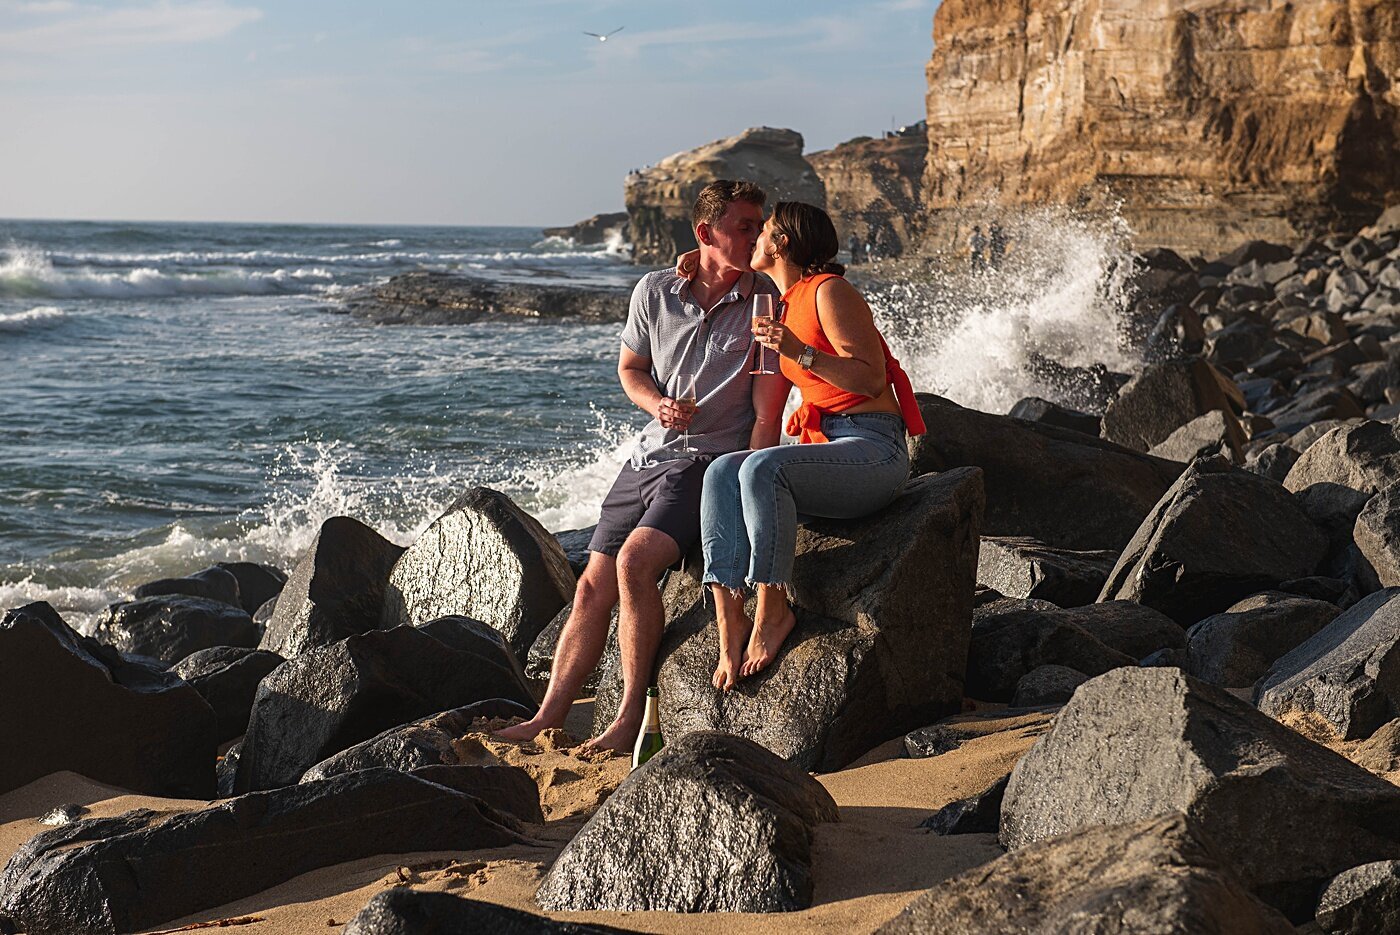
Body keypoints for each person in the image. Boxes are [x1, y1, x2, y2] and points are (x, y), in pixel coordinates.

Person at [496, 180, 780, 750]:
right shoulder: (654, 291)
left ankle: (628, 720)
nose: (755, 236)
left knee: (633, 564)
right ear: (705, 234)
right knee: (590, 587)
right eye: (743, 226)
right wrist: (658, 404)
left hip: (708, 462)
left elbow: (767, 407)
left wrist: (750, 484)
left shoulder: (766, 301)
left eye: (758, 225)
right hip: (647, 454)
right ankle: (546, 717)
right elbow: (631, 370)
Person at [696, 202, 927, 690]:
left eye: (765, 230)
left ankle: (773, 609)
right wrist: (689, 260)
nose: (756, 235)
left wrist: (797, 351)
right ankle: (728, 618)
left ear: (781, 244)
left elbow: (867, 379)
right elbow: (712, 261)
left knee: (763, 470)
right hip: (828, 445)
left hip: (873, 447)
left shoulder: (829, 291)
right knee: (721, 472)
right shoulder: (781, 299)